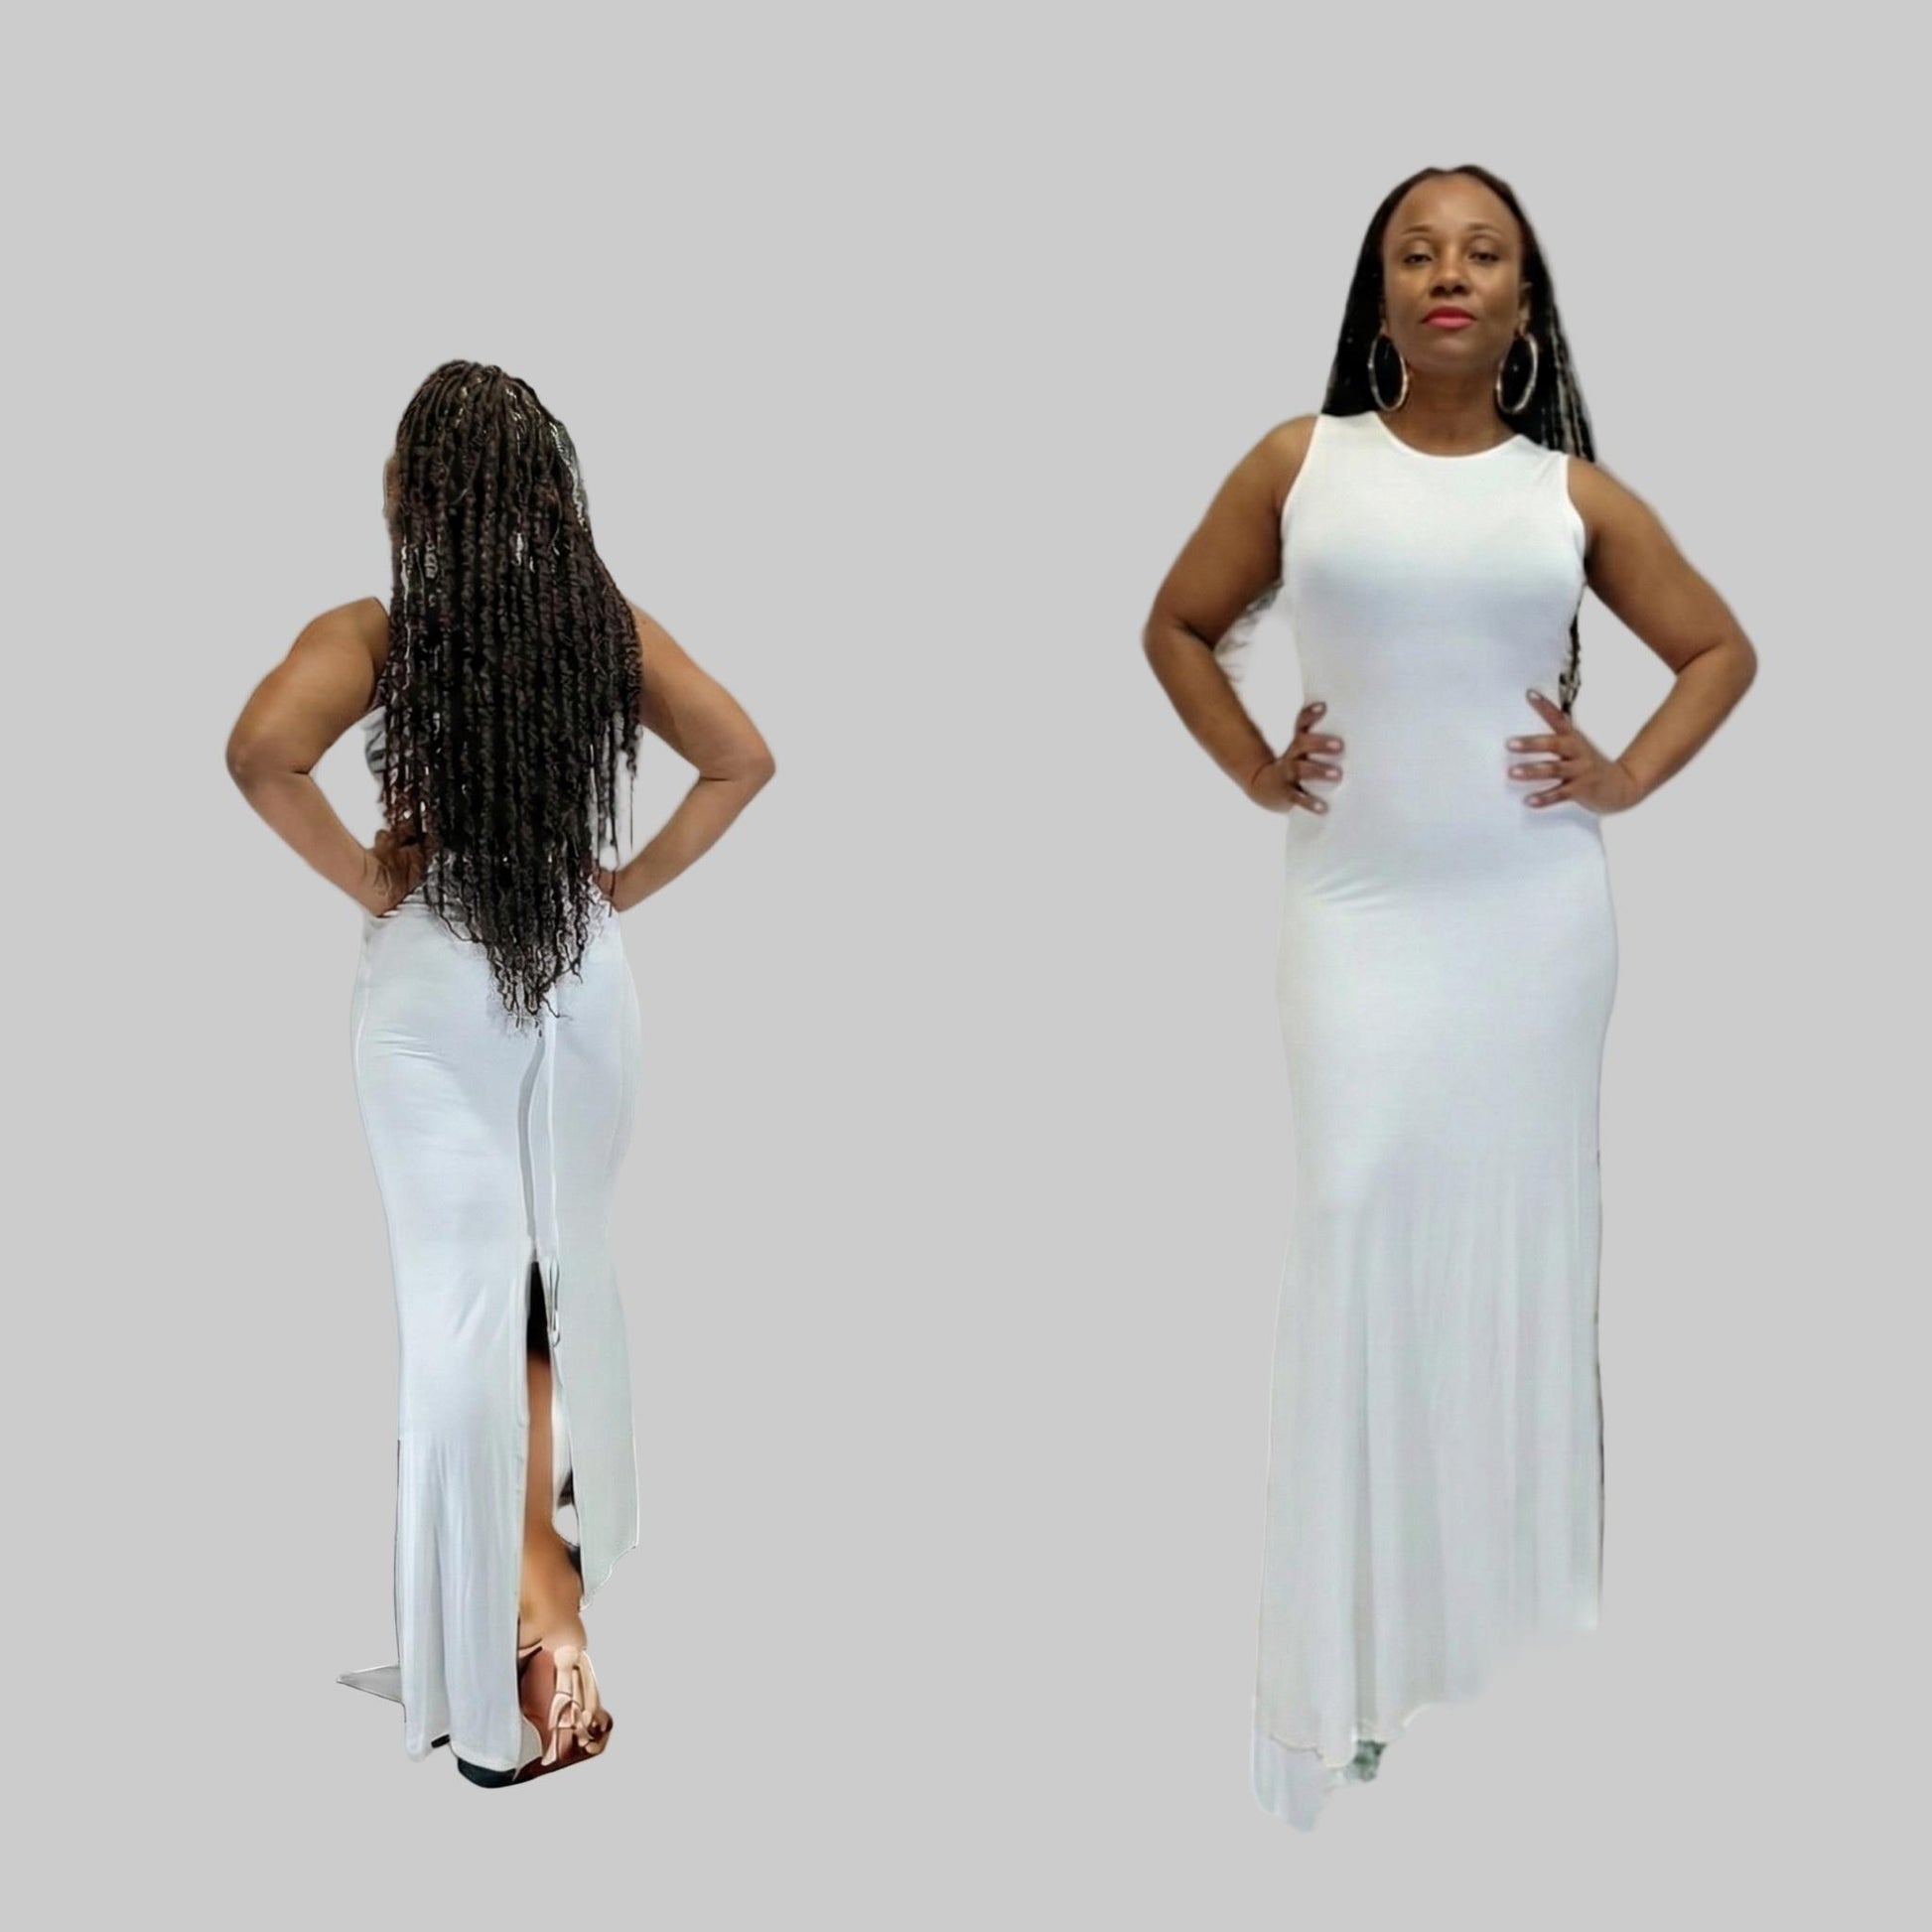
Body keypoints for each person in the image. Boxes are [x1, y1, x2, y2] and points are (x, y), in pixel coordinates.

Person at [1142, 167, 1755, 1828]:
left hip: (1531, 923)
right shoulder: (1299, 462)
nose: (1447, 274)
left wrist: (1618, 771)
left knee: (1511, 1250)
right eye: (1416, 251)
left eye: (1481, 252)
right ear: (1378, 293)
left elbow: (1719, 649)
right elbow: (1177, 627)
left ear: (1525, 302)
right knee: (1353, 1223)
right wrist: (1258, 767)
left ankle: (1480, 1630)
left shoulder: (1571, 494)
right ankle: (1337, 1669)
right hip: (1355, 914)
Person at [226, 360, 775, 1785]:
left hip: (437, 980)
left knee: (466, 1308)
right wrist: (621, 888)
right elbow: (742, 757)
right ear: (547, 488)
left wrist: (367, 870)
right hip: (582, 975)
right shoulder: (608, 637)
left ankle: (502, 1685)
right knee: (559, 1286)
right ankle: (551, 1644)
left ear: (415, 492)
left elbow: (260, 752)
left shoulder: (378, 637)